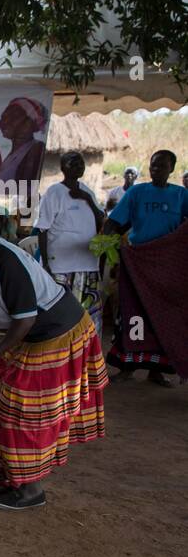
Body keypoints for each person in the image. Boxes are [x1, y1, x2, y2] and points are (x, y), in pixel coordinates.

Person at [0, 210, 107, 509]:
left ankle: (31, 489)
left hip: (57, 333)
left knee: (24, 411)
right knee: (1, 404)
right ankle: (7, 479)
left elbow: (25, 320)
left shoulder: (6, 260)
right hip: (35, 335)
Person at [102, 149, 188, 384]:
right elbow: (114, 221)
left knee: (161, 316)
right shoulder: (137, 192)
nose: (156, 170)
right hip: (137, 262)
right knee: (133, 313)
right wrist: (104, 242)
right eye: (153, 165)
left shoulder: (181, 195)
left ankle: (155, 370)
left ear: (172, 169)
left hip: (167, 266)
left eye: (161, 166)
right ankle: (128, 366)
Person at [35, 152, 105, 339]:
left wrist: (86, 198)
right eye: (73, 163)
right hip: (61, 267)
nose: (78, 166)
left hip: (87, 264)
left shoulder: (87, 191)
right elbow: (42, 230)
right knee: (61, 315)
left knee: (87, 314)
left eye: (80, 163)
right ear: (63, 168)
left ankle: (86, 351)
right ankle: (61, 350)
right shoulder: (54, 192)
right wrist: (46, 263)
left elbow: (101, 221)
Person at [0, 97, 48, 199]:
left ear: (30, 123)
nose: (4, 122)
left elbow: (24, 192)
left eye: (13, 117)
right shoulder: (12, 155)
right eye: (4, 117)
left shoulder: (35, 149)